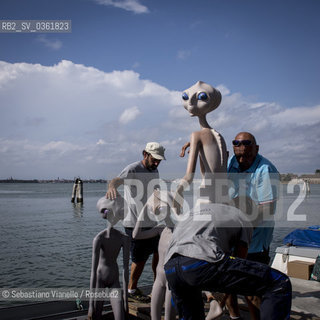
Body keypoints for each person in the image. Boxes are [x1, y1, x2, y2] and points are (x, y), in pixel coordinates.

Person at [164, 202, 292, 320]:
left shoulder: (205, 210)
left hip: (171, 268)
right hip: (199, 262)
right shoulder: (244, 219)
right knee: (278, 282)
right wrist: (222, 298)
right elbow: (239, 263)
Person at [227, 131, 280, 319]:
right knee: (227, 281)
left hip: (255, 239)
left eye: (247, 155)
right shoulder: (230, 163)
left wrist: (240, 231)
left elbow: (267, 210)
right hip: (231, 235)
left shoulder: (266, 170)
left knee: (252, 288)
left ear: (256, 149)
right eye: (238, 155)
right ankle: (233, 315)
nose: (241, 160)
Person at [106, 142, 166, 302]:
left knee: (159, 254)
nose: (157, 163)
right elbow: (115, 181)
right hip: (134, 223)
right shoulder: (132, 169)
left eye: (159, 160)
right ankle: (131, 290)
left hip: (152, 221)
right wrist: (112, 187)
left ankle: (157, 286)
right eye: (154, 159)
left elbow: (155, 190)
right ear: (145, 154)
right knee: (139, 260)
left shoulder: (155, 170)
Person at [133, 190, 177, 320]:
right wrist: (145, 207)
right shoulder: (160, 230)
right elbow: (136, 235)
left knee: (169, 317)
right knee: (154, 316)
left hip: (171, 280)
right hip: (158, 279)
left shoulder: (179, 231)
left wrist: (168, 202)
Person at [88, 194, 130, 320]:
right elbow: (93, 272)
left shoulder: (124, 238)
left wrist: (125, 300)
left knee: (120, 316)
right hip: (99, 279)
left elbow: (126, 268)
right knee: (96, 312)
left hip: (114, 280)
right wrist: (90, 304)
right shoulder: (99, 239)